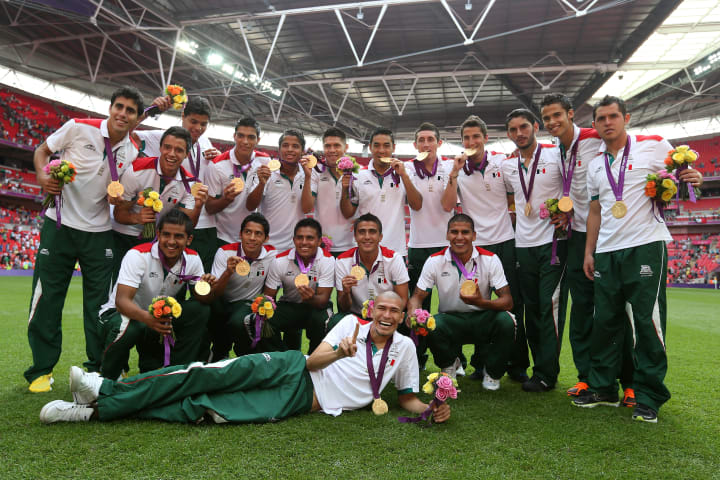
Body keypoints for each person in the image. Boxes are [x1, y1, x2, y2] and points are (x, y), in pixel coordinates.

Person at [39, 292, 450, 425]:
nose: (386, 315)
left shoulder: (406, 349)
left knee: (205, 410)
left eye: (395, 311)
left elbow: (407, 399)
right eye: (381, 308)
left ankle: (93, 412)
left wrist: (431, 409)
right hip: (293, 369)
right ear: (371, 310)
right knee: (202, 375)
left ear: (401, 316)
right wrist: (339, 351)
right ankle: (105, 387)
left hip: (304, 403)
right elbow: (311, 361)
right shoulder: (350, 326)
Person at [573, 95, 703, 423]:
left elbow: (684, 174)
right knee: (605, 321)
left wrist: (695, 180)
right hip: (606, 251)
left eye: (613, 116)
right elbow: (596, 210)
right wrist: (589, 252)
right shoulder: (594, 164)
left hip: (645, 245)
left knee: (647, 322)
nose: (607, 123)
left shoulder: (655, 145)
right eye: (600, 118)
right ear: (595, 124)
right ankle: (603, 388)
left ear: (626, 118)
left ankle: (649, 395)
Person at [25, 86, 144, 393]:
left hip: (100, 232)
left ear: (135, 118)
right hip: (60, 224)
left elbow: (121, 199)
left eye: (130, 110)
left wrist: (122, 202)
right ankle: (41, 371)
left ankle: (97, 367)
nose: (123, 113)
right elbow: (41, 151)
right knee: (48, 297)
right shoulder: (79, 127)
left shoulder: (132, 150)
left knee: (100, 304)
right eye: (119, 106)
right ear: (110, 108)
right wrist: (42, 177)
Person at [540, 93, 635, 405]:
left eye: (557, 115)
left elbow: (630, 144)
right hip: (576, 237)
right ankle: (587, 378)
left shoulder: (596, 135)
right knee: (581, 311)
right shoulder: (557, 149)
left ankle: (629, 380)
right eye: (547, 118)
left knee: (614, 311)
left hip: (611, 236)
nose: (552, 122)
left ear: (571, 115)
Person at [441, 114, 527, 382]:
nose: (471, 141)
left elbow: (519, 193)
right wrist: (454, 173)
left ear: (486, 138)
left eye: (476, 136)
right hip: (474, 248)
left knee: (512, 306)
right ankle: (481, 364)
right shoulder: (455, 169)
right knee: (477, 305)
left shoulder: (502, 163)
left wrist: (513, 215)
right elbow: (446, 205)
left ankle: (517, 364)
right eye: (466, 138)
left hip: (504, 242)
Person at [99, 209, 217, 380]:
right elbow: (122, 301)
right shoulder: (138, 255)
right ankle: (108, 379)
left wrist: (207, 286)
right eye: (166, 234)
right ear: (158, 234)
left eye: (178, 236)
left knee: (200, 310)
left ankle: (178, 372)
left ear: (189, 239)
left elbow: (202, 299)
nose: (171, 241)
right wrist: (148, 319)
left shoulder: (193, 259)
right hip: (121, 316)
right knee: (129, 327)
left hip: (156, 318)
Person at [407, 214, 516, 390]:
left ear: (474, 235)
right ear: (447, 235)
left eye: (465, 232)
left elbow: (508, 301)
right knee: (429, 323)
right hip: (451, 321)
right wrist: (413, 312)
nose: (459, 237)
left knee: (506, 321)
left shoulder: (490, 259)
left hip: (482, 319)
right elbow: (417, 297)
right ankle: (450, 364)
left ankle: (493, 373)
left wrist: (481, 302)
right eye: (454, 232)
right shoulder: (435, 261)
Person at [502, 108, 569, 393]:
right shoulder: (507, 166)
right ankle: (533, 369)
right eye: (514, 129)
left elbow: (572, 190)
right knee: (529, 310)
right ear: (508, 134)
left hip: (553, 243)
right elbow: (509, 199)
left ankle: (546, 373)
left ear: (536, 127)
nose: (520, 133)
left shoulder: (557, 155)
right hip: (523, 245)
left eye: (524, 127)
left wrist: (566, 212)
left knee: (548, 309)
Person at [134, 96, 220, 272]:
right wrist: (150, 112)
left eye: (203, 124)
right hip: (175, 222)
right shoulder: (163, 137)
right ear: (183, 116)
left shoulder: (205, 143)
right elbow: (128, 134)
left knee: (200, 282)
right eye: (193, 121)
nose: (198, 128)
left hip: (204, 224)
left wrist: (219, 157)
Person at [112, 126, 208, 276]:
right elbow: (119, 214)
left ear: (187, 154)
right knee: (119, 290)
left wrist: (199, 206)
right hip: (124, 236)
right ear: (160, 148)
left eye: (179, 150)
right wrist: (136, 218)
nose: (171, 154)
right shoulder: (136, 171)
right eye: (167, 147)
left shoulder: (190, 183)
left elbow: (185, 224)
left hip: (156, 243)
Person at [340, 127, 422, 258]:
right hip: (365, 251)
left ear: (393, 148)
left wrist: (404, 176)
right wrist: (345, 189)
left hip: (396, 251)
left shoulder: (405, 174)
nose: (381, 150)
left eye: (386, 146)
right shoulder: (359, 175)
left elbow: (417, 205)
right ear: (371, 148)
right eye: (376, 146)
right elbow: (347, 213)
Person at [263, 218, 335, 354]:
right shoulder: (280, 261)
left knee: (323, 321)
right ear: (294, 239)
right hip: (290, 305)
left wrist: (311, 298)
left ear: (319, 241)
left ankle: (313, 361)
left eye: (310, 238)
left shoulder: (327, 260)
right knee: (264, 318)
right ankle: (280, 359)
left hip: (316, 307)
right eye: (299, 237)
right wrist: (264, 306)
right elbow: (268, 297)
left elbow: (323, 300)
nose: (304, 242)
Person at [210, 213, 276, 357]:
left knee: (238, 321)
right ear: (240, 234)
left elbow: (270, 290)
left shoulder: (272, 255)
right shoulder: (225, 252)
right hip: (223, 302)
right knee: (211, 313)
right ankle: (218, 354)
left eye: (258, 234)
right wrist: (228, 272)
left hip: (247, 304)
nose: (252, 238)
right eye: (248, 232)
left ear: (266, 238)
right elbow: (215, 293)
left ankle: (245, 357)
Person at [331, 214, 409, 327]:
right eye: (362, 232)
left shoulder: (394, 259)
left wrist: (385, 315)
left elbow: (402, 299)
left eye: (372, 232)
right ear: (355, 236)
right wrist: (346, 292)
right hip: (356, 317)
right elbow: (344, 307)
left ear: (380, 237)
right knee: (335, 321)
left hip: (387, 315)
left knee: (409, 322)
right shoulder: (342, 261)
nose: (367, 237)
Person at [406, 122, 453, 313]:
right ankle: (418, 343)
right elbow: (415, 205)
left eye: (430, 140)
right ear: (415, 145)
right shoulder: (407, 169)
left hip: (447, 245)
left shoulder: (450, 165)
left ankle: (446, 341)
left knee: (449, 302)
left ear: (439, 143)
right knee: (419, 305)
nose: (426, 145)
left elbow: (448, 205)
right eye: (421, 140)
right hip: (418, 246)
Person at [205, 117, 267, 247]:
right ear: (234, 136)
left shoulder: (264, 161)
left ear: (258, 140)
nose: (245, 141)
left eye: (251, 137)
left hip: (251, 238)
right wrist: (226, 199)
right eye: (241, 136)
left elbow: (251, 206)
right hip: (222, 237)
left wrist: (262, 184)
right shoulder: (217, 165)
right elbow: (209, 208)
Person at [246, 129, 308, 251]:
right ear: (279, 150)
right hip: (269, 245)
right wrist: (261, 184)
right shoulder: (266, 171)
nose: (290, 149)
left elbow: (307, 208)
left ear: (302, 151)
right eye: (285, 145)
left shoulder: (308, 174)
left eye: (295, 146)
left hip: (297, 247)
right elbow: (250, 206)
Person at [300, 127, 356, 256]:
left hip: (351, 245)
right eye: (327, 146)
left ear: (346, 147)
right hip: (322, 245)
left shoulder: (357, 173)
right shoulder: (315, 172)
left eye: (336, 145)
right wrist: (308, 177)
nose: (331, 150)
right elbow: (306, 208)